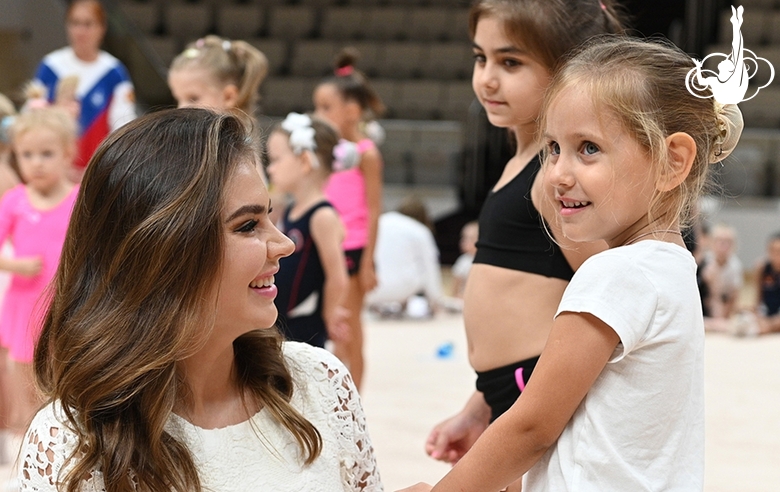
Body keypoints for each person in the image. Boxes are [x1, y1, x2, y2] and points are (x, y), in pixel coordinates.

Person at [401, 34, 743, 492]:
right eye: (554, 147)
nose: (558, 174)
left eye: (588, 148)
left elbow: (532, 428)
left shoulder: (613, 273)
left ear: (671, 161)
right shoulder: (671, 269)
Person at [19, 108, 382, 491]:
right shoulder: (72, 443)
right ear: (163, 252)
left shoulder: (321, 384)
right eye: (248, 225)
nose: (284, 244)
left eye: (271, 218)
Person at [423, 3, 623, 488]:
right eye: (480, 58)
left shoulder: (554, 178)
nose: (487, 79)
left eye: (510, 63)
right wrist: (480, 406)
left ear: (568, 70)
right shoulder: (523, 163)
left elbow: (607, 292)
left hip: (537, 392)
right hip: (506, 388)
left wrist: (526, 402)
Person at [0, 107, 79, 462]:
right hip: (23, 306)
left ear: (67, 154)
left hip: (66, 308)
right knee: (24, 389)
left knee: (63, 383)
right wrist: (15, 264)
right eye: (27, 155)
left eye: (46, 154)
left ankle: (65, 454)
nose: (37, 163)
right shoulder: (14, 201)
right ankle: (21, 460)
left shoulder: (79, 200)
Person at [314, 47, 385, 390]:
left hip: (353, 248)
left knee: (349, 331)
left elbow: (373, 208)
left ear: (352, 111)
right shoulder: (325, 153)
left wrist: (369, 261)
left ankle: (353, 403)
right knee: (333, 327)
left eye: (325, 108)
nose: (318, 114)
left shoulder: (367, 154)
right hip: (327, 244)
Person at [266, 112, 352, 348]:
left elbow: (337, 276)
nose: (270, 170)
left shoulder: (322, 215)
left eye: (275, 160)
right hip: (284, 320)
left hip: (305, 326)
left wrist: (330, 314)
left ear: (304, 161)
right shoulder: (292, 208)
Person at [34, 0, 136, 171]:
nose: (81, 31)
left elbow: (124, 127)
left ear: (102, 28)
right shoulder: (50, 66)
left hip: (97, 170)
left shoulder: (114, 72)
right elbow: (31, 118)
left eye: (88, 24)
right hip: (53, 171)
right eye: (75, 23)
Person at [366, 195, 443, 319]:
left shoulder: (379, 222)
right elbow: (430, 266)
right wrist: (436, 301)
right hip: (403, 290)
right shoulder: (420, 230)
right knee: (420, 266)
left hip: (370, 290)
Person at [168, 35, 269, 121]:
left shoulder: (236, 143)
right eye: (178, 100)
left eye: (193, 99)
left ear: (228, 97)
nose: (180, 109)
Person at [699, 223, 743, 321]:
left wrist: (726, 317)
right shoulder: (705, 261)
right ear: (712, 243)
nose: (723, 245)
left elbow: (734, 296)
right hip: (706, 300)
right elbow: (710, 293)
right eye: (720, 241)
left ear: (734, 245)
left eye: (728, 242)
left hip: (724, 299)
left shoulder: (735, 266)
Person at [451, 221, 478, 300]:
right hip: (463, 300)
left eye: (470, 238)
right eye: (463, 238)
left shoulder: (486, 261)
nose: (463, 241)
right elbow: (455, 286)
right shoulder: (463, 261)